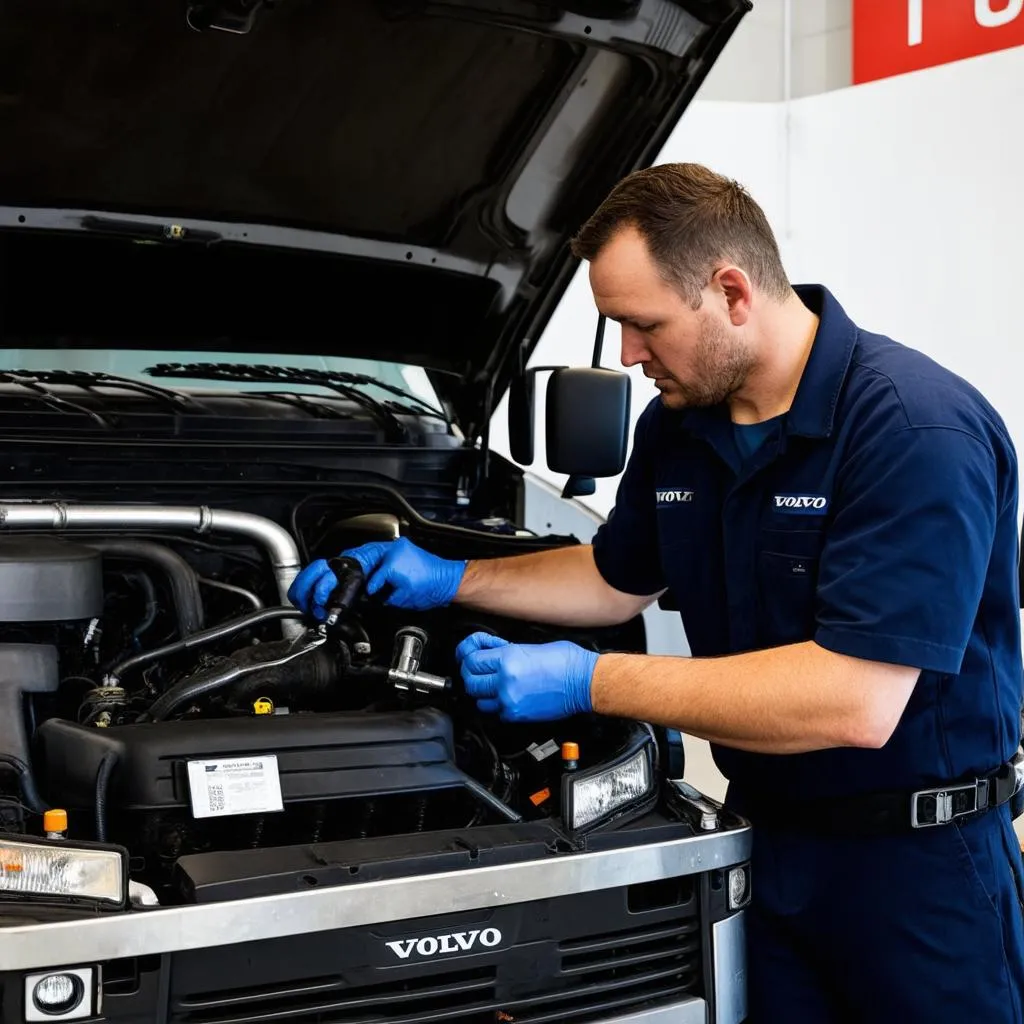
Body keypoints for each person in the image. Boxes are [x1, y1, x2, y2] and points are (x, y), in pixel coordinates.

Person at [289, 162, 1024, 1022]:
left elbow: (852, 701)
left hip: (917, 869)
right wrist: (451, 578)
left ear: (731, 291)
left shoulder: (911, 429)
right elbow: (613, 578)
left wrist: (585, 681)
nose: (632, 356)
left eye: (644, 326)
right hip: (761, 840)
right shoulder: (679, 426)